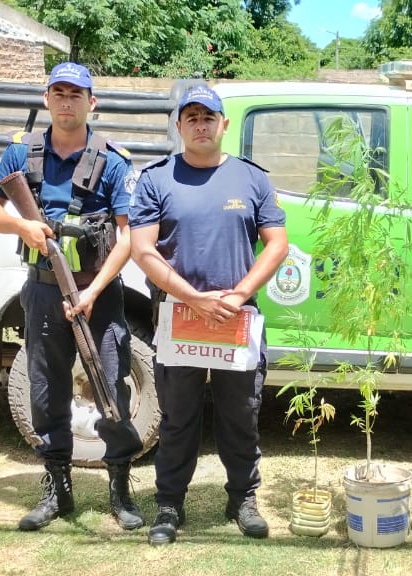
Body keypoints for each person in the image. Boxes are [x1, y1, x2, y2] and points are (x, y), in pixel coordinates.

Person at [0, 62, 144, 532]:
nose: (67, 101)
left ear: (92, 103)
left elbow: (128, 237)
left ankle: (120, 490)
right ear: (47, 99)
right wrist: (22, 225)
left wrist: (91, 290)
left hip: (99, 293)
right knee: (46, 390)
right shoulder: (19, 153)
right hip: (43, 292)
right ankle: (57, 490)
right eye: (59, 92)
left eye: (77, 94)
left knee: (111, 387)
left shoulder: (112, 160)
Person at [128, 85, 288, 546]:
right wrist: (194, 299)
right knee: (179, 417)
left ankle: (242, 499)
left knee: (241, 413)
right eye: (191, 117)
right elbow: (143, 250)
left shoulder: (251, 179)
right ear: (179, 126)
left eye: (208, 117)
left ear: (224, 124)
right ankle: (169, 505)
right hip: (179, 315)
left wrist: (238, 295)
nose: (201, 124)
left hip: (236, 317)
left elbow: (276, 243)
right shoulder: (157, 179)